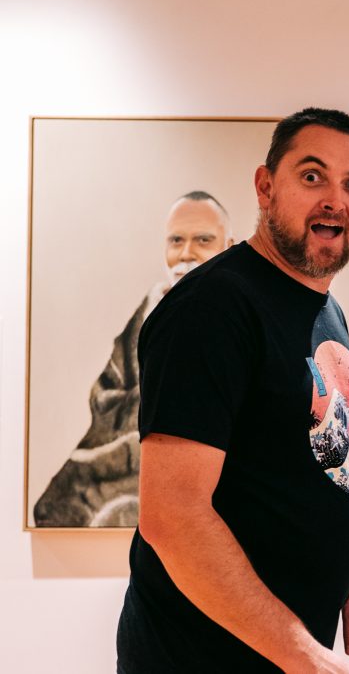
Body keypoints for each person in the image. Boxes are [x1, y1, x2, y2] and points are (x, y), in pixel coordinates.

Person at [116, 108, 349, 673]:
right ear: (266, 187)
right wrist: (305, 657)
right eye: (311, 176)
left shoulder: (323, 309)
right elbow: (173, 517)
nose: (334, 200)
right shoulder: (212, 310)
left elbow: (317, 464)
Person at [33, 191, 233, 527]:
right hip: (141, 463)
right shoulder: (149, 316)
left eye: (202, 239)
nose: (186, 253)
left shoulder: (240, 317)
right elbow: (105, 399)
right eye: (176, 241)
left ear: (227, 247)